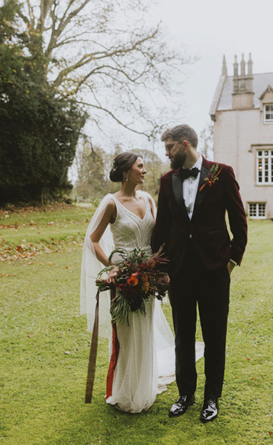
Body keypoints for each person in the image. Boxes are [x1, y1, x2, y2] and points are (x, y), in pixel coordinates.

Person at [151, 124, 248, 423]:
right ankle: (185, 395)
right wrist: (160, 269)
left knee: (215, 335)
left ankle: (211, 398)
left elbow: (239, 221)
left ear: (184, 144)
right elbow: (162, 229)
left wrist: (231, 261)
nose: (166, 153)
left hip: (215, 271)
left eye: (169, 147)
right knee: (183, 336)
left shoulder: (222, 173)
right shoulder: (167, 181)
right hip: (180, 271)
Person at [80, 152, 177, 413]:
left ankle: (144, 386)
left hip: (149, 276)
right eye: (140, 166)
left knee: (144, 331)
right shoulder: (112, 203)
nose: (144, 171)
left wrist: (162, 268)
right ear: (126, 172)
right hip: (124, 277)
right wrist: (111, 266)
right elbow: (93, 240)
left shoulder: (148, 199)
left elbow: (159, 237)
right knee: (127, 333)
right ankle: (125, 391)